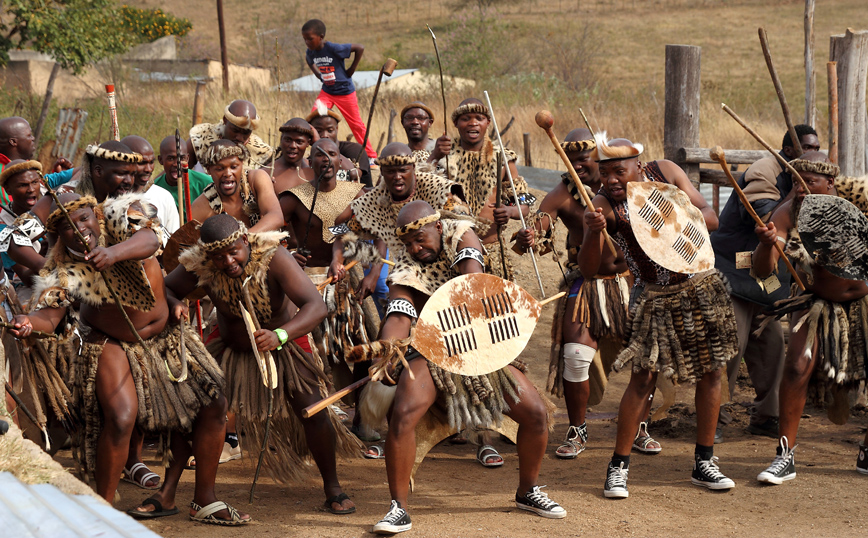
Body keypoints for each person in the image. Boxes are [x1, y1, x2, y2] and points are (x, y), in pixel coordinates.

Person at [10, 193, 248, 525]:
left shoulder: (123, 220)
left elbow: (151, 240)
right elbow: (49, 317)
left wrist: (112, 253)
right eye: (67, 226)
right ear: (57, 234)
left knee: (213, 403)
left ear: (95, 214)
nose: (80, 229)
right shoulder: (61, 266)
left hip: (165, 336)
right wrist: (27, 323)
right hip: (111, 343)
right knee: (122, 418)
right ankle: (100, 510)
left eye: (83, 219)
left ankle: (203, 499)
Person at [369, 201, 565, 534]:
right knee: (403, 413)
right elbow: (400, 317)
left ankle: (527, 491)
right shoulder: (405, 267)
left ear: (438, 227)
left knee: (535, 414)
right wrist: (386, 353)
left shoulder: (461, 234)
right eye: (409, 244)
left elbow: (473, 287)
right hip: (430, 350)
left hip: (478, 347)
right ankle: (398, 508)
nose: (416, 249)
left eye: (421, 238)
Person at [166, 213, 361, 514]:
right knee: (197, 409)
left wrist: (280, 334)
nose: (229, 261)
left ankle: (332, 486)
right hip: (230, 345)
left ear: (245, 240)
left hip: (283, 342)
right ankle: (169, 494)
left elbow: (316, 306)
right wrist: (175, 302)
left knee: (313, 411)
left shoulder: (274, 257)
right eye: (219, 257)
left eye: (234, 252)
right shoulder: (200, 264)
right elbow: (165, 288)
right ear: (208, 255)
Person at [581, 136, 738, 498]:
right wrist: (593, 232)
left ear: (638, 164)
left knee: (712, 371)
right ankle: (618, 466)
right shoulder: (603, 206)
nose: (613, 181)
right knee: (642, 378)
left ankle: (705, 462)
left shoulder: (665, 172)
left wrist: (667, 211)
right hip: (654, 296)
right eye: (604, 174)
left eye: (620, 171)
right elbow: (589, 268)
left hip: (699, 283)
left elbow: (710, 218)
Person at [515, 128, 661, 458]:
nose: (577, 166)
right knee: (576, 355)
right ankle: (578, 429)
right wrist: (530, 236)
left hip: (634, 280)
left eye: (583, 159)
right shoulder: (564, 193)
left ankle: (640, 426)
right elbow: (541, 224)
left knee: (647, 356)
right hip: (588, 283)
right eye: (569, 160)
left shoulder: (634, 187)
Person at [751, 152, 868, 483]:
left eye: (809, 181)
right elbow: (763, 271)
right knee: (797, 366)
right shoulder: (788, 213)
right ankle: (784, 456)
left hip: (861, 304)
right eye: (795, 181)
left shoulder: (856, 208)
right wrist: (766, 244)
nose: (800, 188)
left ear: (829, 183)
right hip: (813, 303)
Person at [710, 125, 820, 442]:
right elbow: (767, 221)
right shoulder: (764, 171)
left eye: (816, 147)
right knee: (732, 344)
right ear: (788, 153)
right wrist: (796, 191)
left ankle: (765, 417)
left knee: (772, 347)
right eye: (806, 148)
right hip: (734, 269)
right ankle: (713, 416)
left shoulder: (810, 180)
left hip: (768, 278)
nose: (812, 153)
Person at [280, 138, 380, 436]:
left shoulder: (358, 193)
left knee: (368, 344)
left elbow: (380, 232)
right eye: (318, 156)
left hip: (350, 278)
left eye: (332, 154)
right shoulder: (295, 197)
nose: (325, 160)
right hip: (307, 280)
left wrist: (373, 274)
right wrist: (286, 252)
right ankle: (323, 421)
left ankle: (364, 418)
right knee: (314, 352)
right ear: (309, 163)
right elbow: (270, 225)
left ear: (341, 162)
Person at [434, 98, 536, 280]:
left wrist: (510, 210)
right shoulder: (444, 158)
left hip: (494, 250)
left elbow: (523, 201)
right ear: (456, 123)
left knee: (496, 305)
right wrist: (434, 156)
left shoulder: (503, 159)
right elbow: (419, 188)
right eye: (466, 118)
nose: (473, 123)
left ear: (488, 122)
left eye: (479, 118)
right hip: (452, 251)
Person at [302, 18, 376, 161]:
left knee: (356, 125)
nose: (307, 42)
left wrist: (351, 70)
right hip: (327, 93)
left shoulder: (333, 48)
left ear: (321, 37)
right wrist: (318, 74)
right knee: (312, 119)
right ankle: (316, 152)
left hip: (345, 92)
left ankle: (371, 156)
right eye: (305, 39)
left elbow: (360, 47)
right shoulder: (310, 52)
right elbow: (309, 60)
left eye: (310, 39)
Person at [190, 140, 283, 233]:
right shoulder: (202, 206)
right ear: (208, 170)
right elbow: (189, 242)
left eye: (234, 167)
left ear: (242, 164)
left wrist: (245, 240)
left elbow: (276, 216)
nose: (227, 173)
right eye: (219, 169)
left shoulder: (256, 179)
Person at [0, 116, 75, 203]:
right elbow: (24, 210)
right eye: (29, 135)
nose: (33, 138)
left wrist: (59, 177)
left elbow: (40, 190)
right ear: (13, 142)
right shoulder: (5, 175)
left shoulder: (24, 166)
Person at [188, 100, 276, 171]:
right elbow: (179, 176)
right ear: (225, 120)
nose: (240, 137)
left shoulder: (262, 152)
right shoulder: (201, 138)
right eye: (235, 130)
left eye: (246, 133)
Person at [122, 135, 180, 241]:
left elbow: (174, 243)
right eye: (142, 163)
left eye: (151, 162)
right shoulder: (111, 198)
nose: (149, 169)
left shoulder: (164, 197)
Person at [306, 106, 372, 186]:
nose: (325, 135)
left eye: (330, 130)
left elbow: (352, 175)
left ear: (336, 129)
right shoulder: (312, 158)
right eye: (319, 131)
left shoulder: (354, 149)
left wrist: (319, 145)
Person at [153, 135, 213, 209]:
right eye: (171, 158)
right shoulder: (154, 189)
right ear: (160, 160)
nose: (176, 164)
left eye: (181, 158)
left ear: (187, 158)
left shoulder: (206, 183)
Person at [271, 118, 317, 194]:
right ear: (281, 139)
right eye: (288, 140)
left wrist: (318, 142)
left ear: (308, 143)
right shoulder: (268, 173)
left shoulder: (315, 170)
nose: (293, 146)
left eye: (299, 142)